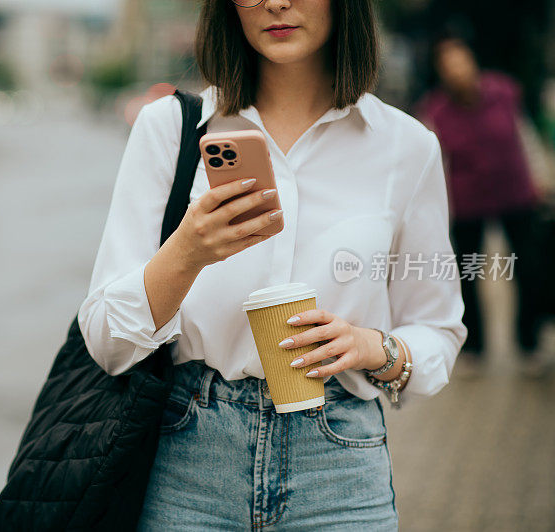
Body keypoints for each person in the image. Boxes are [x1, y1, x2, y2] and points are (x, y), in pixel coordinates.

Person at [78, 0, 466, 529]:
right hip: (189, 459)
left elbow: (438, 330)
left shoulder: (406, 146)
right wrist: (188, 251)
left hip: (339, 466)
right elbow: (106, 342)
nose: (275, 2)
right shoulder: (172, 128)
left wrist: (371, 346)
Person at [415, 34, 550, 378]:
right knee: (468, 273)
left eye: (461, 61)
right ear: (441, 73)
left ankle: (529, 342)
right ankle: (473, 347)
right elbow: (433, 164)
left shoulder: (504, 91)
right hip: (468, 201)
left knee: (528, 267)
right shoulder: (435, 110)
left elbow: (524, 135)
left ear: (472, 60)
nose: (457, 70)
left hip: (516, 193)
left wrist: (541, 176)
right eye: (449, 66)